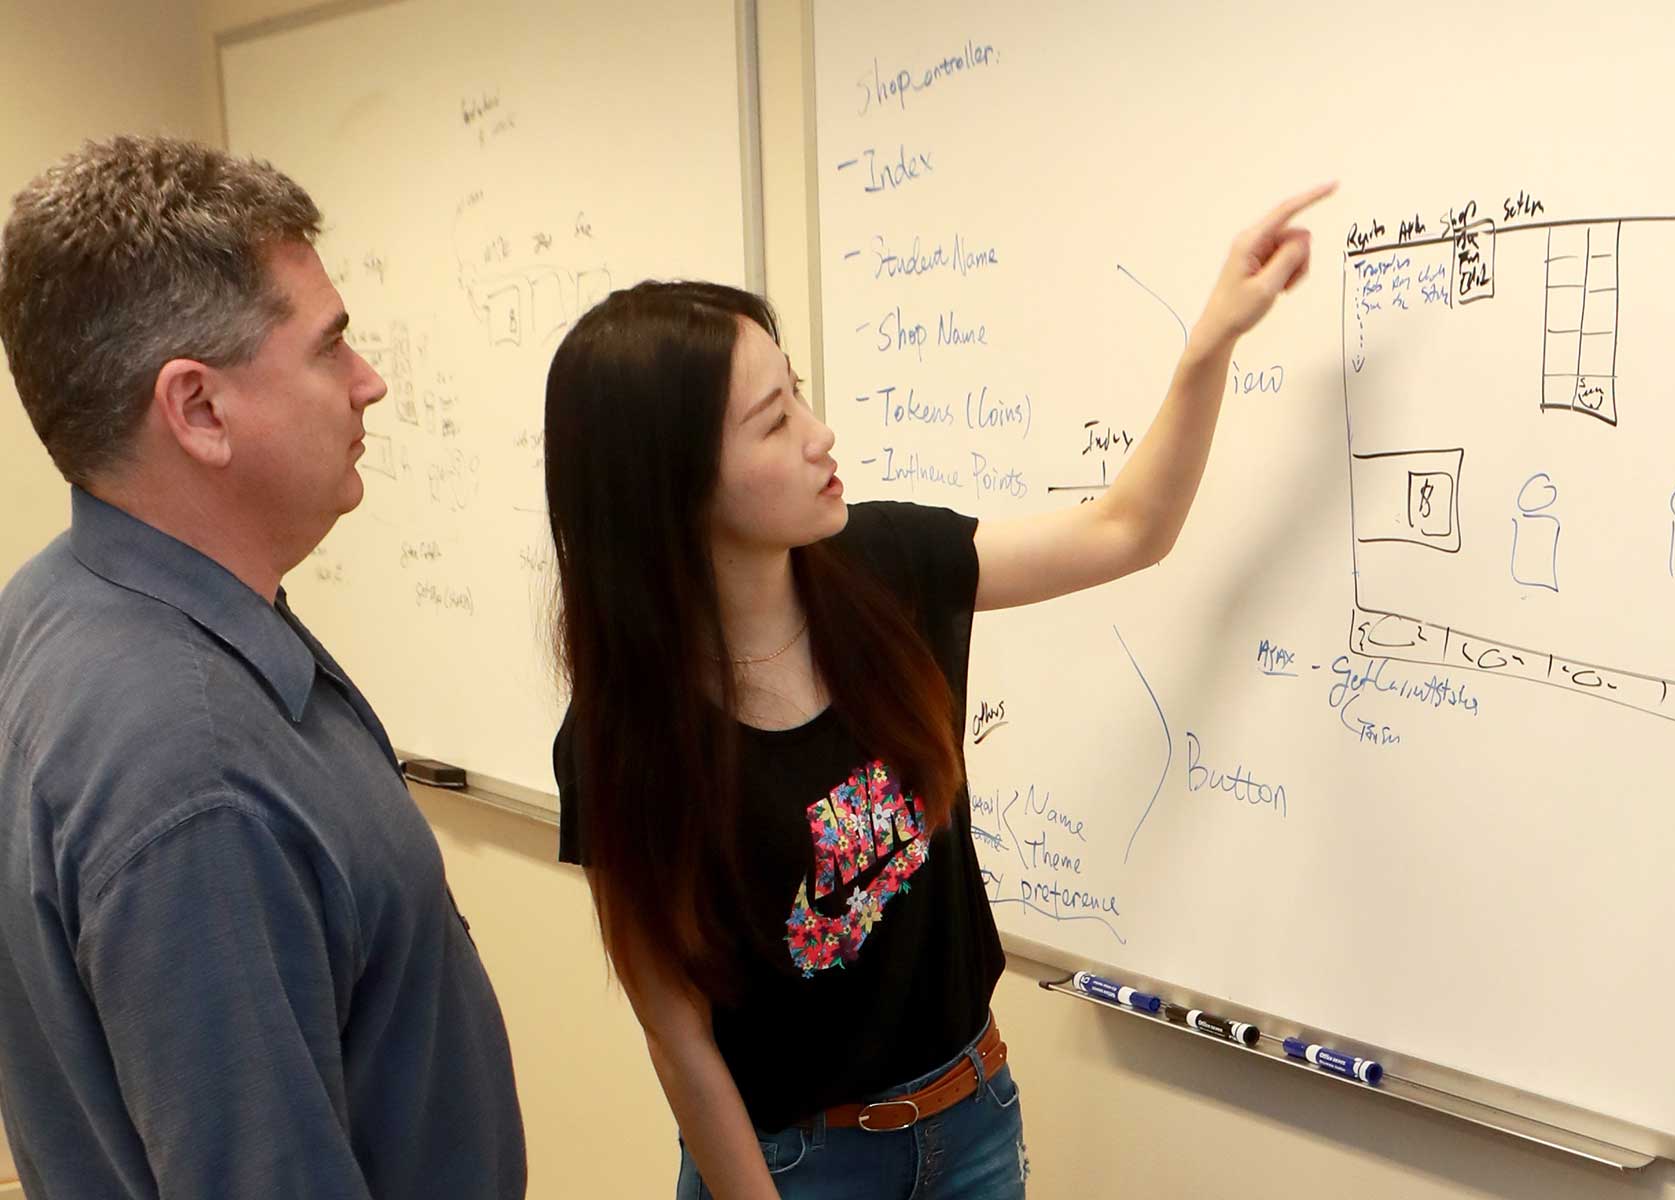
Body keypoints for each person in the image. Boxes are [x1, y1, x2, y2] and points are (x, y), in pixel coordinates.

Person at [545, 184, 1332, 1199]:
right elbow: (679, 1036)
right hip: (793, 1163)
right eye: (775, 420)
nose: (822, 435)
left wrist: (1210, 342)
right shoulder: (625, 737)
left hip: (970, 1128)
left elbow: (1126, 531)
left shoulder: (887, 569)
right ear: (676, 481)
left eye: (801, 393)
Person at [0, 135, 525, 1199]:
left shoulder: (61, 605)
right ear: (198, 411)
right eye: (330, 347)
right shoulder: (195, 779)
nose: (369, 383)